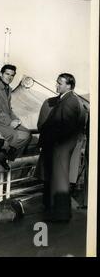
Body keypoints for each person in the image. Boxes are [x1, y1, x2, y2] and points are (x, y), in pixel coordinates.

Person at [37, 73, 85, 222]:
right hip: (61, 146)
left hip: (60, 147)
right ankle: (60, 213)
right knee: (60, 180)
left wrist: (53, 143)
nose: (57, 85)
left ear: (69, 85)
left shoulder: (69, 101)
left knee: (60, 182)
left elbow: (66, 127)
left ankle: (61, 215)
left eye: (60, 83)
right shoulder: (69, 99)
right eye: (57, 83)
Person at [0, 64, 32, 161]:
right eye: (7, 74)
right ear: (1, 74)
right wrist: (10, 122)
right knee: (18, 135)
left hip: (5, 119)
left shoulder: (8, 89)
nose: (9, 77)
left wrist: (15, 119)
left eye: (12, 75)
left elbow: (9, 109)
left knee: (27, 133)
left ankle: (7, 157)